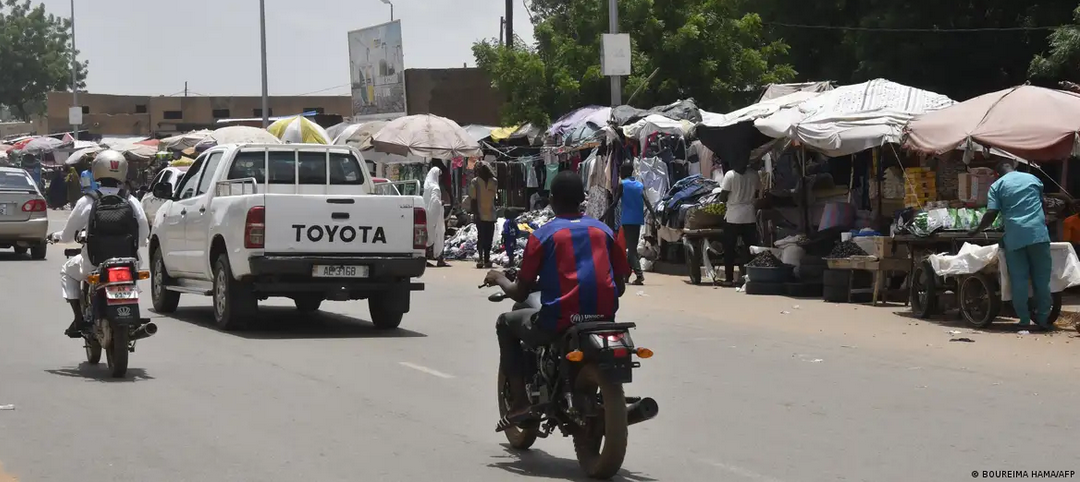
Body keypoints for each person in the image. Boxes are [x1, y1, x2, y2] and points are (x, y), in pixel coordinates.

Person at [484, 171, 630, 430]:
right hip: (604, 320)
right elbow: (619, 286)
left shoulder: (542, 235)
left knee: (505, 323)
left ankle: (519, 403)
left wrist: (499, 278)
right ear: (581, 200)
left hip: (559, 321)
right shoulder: (604, 230)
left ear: (551, 200)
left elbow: (519, 292)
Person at [49, 150, 149, 338]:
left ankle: (79, 318)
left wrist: (56, 237)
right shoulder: (131, 200)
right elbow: (144, 234)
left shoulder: (87, 201)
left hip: (94, 264)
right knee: (133, 281)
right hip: (129, 263)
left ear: (96, 171)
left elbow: (68, 235)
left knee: (67, 271)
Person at [969, 160, 1052, 330]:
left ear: (997, 174)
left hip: (1015, 237)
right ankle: (1043, 320)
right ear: (1014, 168)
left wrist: (976, 230)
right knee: (1042, 280)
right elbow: (1043, 203)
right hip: (1038, 234)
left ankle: (1023, 320)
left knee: (1019, 280)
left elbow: (991, 213)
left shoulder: (997, 186)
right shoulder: (1033, 179)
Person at [604, 162, 655, 285]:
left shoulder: (623, 184)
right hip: (637, 220)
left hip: (627, 220)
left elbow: (615, 202)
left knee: (631, 249)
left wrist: (604, 216)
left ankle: (639, 275)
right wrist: (654, 216)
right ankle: (626, 275)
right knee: (630, 247)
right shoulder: (639, 185)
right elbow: (647, 201)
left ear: (623, 173)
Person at [719, 158, 761, 287]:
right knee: (751, 248)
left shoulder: (730, 175)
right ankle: (752, 276)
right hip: (749, 215)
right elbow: (757, 193)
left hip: (733, 216)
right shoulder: (754, 174)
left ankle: (729, 278)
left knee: (729, 248)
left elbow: (723, 196)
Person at [469, 162, 499, 268]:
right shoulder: (476, 182)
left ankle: (484, 259)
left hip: (486, 214)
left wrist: (475, 213)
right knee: (485, 237)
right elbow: (473, 200)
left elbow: (473, 200)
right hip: (484, 214)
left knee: (484, 238)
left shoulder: (491, 182)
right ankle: (483, 259)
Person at [424, 161, 448, 267]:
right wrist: (441, 203)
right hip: (435, 216)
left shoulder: (427, 186)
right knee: (438, 235)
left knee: (429, 236)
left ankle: (426, 258)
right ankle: (439, 259)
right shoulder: (435, 188)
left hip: (427, 214)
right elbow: (435, 202)